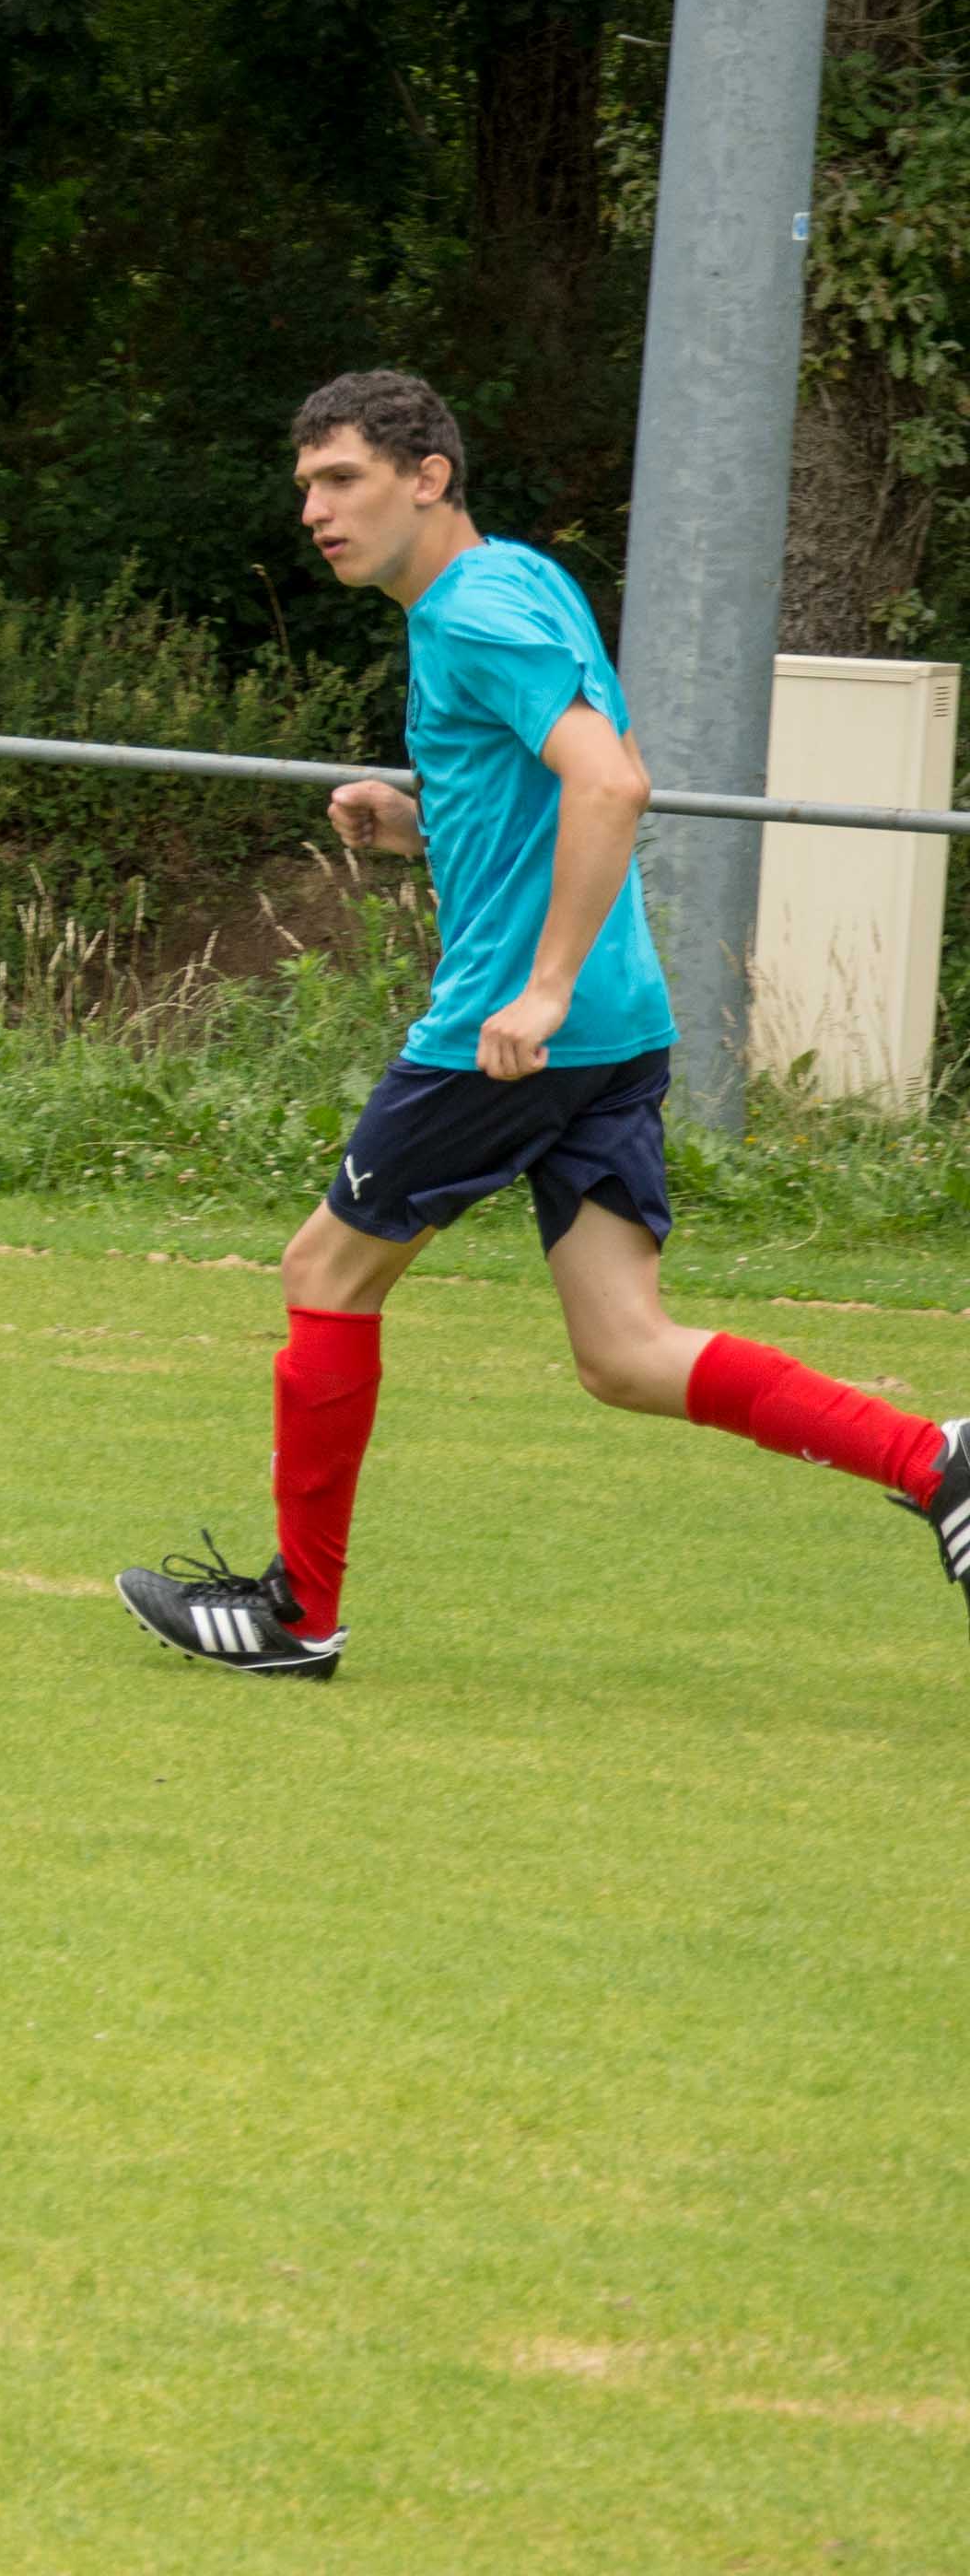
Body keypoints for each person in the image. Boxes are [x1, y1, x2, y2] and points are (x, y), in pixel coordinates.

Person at [117, 368, 970, 1675]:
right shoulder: (513, 582)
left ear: (428, 476)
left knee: (322, 1274)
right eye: (305, 487)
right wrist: (421, 826)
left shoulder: (472, 614)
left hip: (516, 1035)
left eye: (341, 479)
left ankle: (296, 1617)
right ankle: (938, 1462)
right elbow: (546, 788)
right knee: (626, 1352)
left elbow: (612, 781)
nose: (316, 511)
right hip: (620, 1029)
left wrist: (542, 983)